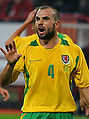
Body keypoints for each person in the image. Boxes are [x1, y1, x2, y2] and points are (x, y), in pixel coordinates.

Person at [0, 5, 89, 119]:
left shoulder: (73, 49)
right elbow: (3, 81)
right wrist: (10, 65)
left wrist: (83, 98)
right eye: (37, 19)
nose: (40, 22)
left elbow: (84, 85)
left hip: (64, 113)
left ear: (57, 24)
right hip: (33, 113)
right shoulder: (25, 49)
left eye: (45, 19)